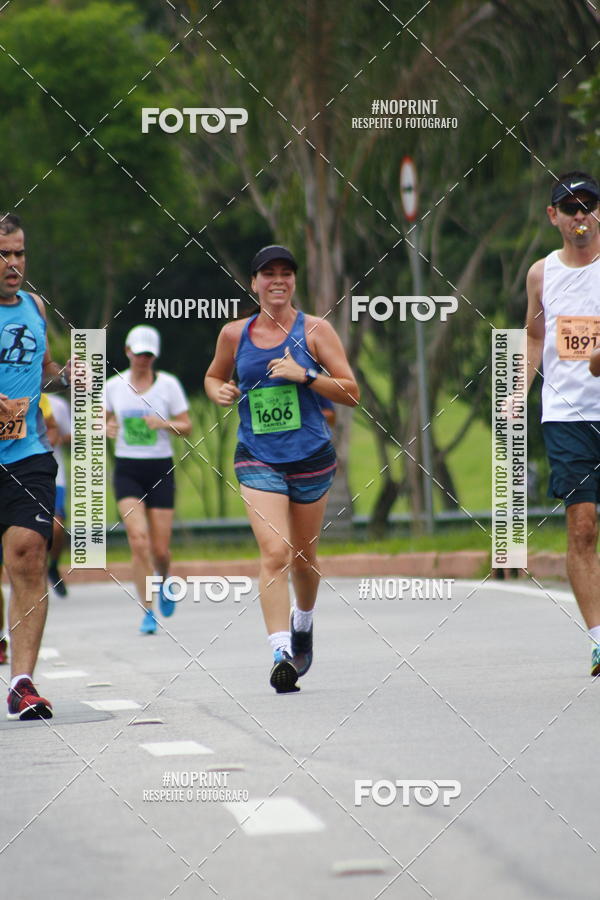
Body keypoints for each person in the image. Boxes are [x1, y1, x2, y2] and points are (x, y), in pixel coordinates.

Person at [205, 245, 359, 693]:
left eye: (286, 274)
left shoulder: (315, 331)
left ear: (294, 281)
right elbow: (214, 374)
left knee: (304, 556)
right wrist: (217, 389)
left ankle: (303, 621)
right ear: (253, 284)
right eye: (268, 273)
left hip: (310, 457)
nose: (277, 280)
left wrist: (305, 376)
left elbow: (351, 392)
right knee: (275, 552)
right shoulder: (235, 334)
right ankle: (280, 652)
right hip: (258, 456)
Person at [524, 171, 600, 677]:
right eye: (569, 208)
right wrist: (517, 390)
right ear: (553, 216)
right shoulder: (540, 275)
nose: (579, 216)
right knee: (582, 526)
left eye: (588, 206)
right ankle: (599, 639)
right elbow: (533, 335)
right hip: (567, 415)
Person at [0, 212, 70, 720]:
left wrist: (69, 374)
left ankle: (22, 682)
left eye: (19, 253)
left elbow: (43, 370)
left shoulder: (34, 307)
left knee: (28, 552)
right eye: (4, 254)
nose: (13, 264)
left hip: (28, 453)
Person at [105, 325, 191, 634]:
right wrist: (107, 428)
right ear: (127, 352)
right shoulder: (114, 386)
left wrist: (163, 423)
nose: (142, 359)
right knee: (138, 541)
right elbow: (100, 421)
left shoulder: (168, 385)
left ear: (154, 356)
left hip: (159, 469)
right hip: (128, 469)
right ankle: (147, 610)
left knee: (159, 550)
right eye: (138, 353)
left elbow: (188, 426)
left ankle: (165, 578)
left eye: (148, 354)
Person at [46, 393, 71, 596]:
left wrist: (50, 439)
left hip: (54, 477)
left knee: (56, 526)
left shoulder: (55, 405)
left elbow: (71, 434)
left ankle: (52, 565)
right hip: (15, 477)